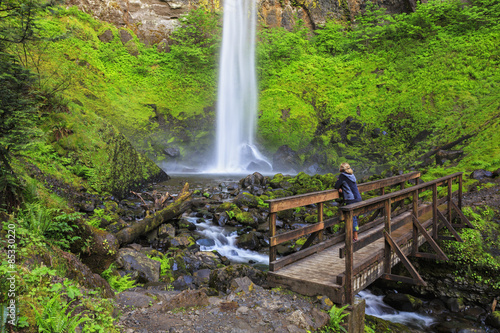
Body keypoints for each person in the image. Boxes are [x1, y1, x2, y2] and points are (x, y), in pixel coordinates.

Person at [334, 162, 362, 241]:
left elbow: (336, 185)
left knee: (352, 218)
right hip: (358, 198)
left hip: (351, 199)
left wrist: (341, 188)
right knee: (355, 217)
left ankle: (355, 237)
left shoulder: (342, 176)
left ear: (341, 169)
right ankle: (353, 235)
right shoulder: (352, 175)